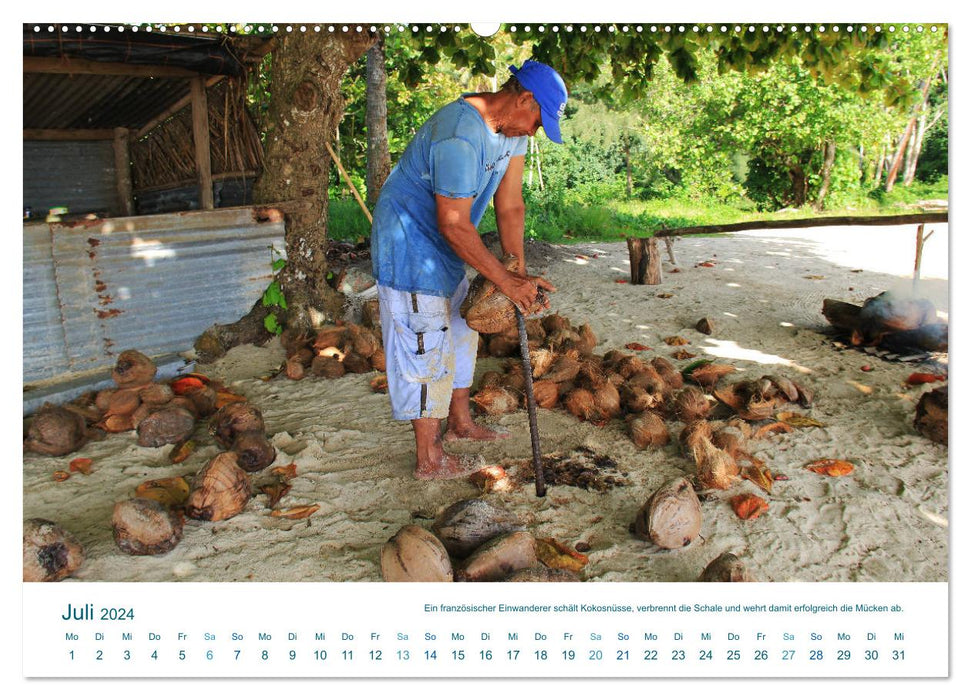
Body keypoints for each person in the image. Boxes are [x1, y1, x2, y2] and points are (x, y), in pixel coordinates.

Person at [370, 59, 568, 480]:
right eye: (538, 120)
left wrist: (517, 272)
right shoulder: (460, 134)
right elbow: (454, 223)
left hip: (450, 245)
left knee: (462, 330)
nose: (535, 131)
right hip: (409, 244)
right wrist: (504, 280)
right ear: (524, 98)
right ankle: (429, 458)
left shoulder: (511, 134)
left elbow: (511, 205)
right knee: (424, 341)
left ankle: (461, 422)